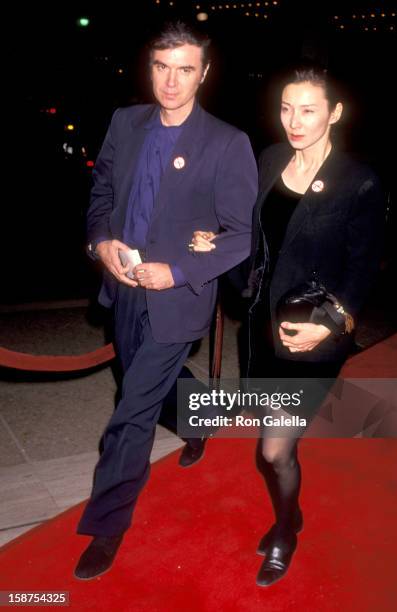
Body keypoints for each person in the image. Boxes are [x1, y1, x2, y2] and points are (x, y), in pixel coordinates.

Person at [74, 21, 258, 580]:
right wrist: (100, 242)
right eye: (161, 67)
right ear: (149, 67)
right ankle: (198, 420)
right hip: (122, 289)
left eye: (185, 69)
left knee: (129, 416)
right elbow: (101, 193)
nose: (171, 82)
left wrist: (177, 270)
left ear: (203, 73)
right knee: (145, 384)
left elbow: (243, 233)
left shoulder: (227, 142)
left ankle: (106, 526)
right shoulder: (125, 123)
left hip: (176, 301)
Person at [190, 61, 385, 587]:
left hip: (312, 332)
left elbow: (363, 266)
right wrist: (220, 243)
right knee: (278, 440)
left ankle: (285, 528)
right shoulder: (272, 158)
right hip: (259, 327)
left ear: (335, 113)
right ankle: (290, 511)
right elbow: (258, 239)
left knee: (273, 448)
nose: (294, 121)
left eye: (308, 110)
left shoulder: (359, 181)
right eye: (286, 108)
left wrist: (335, 321)